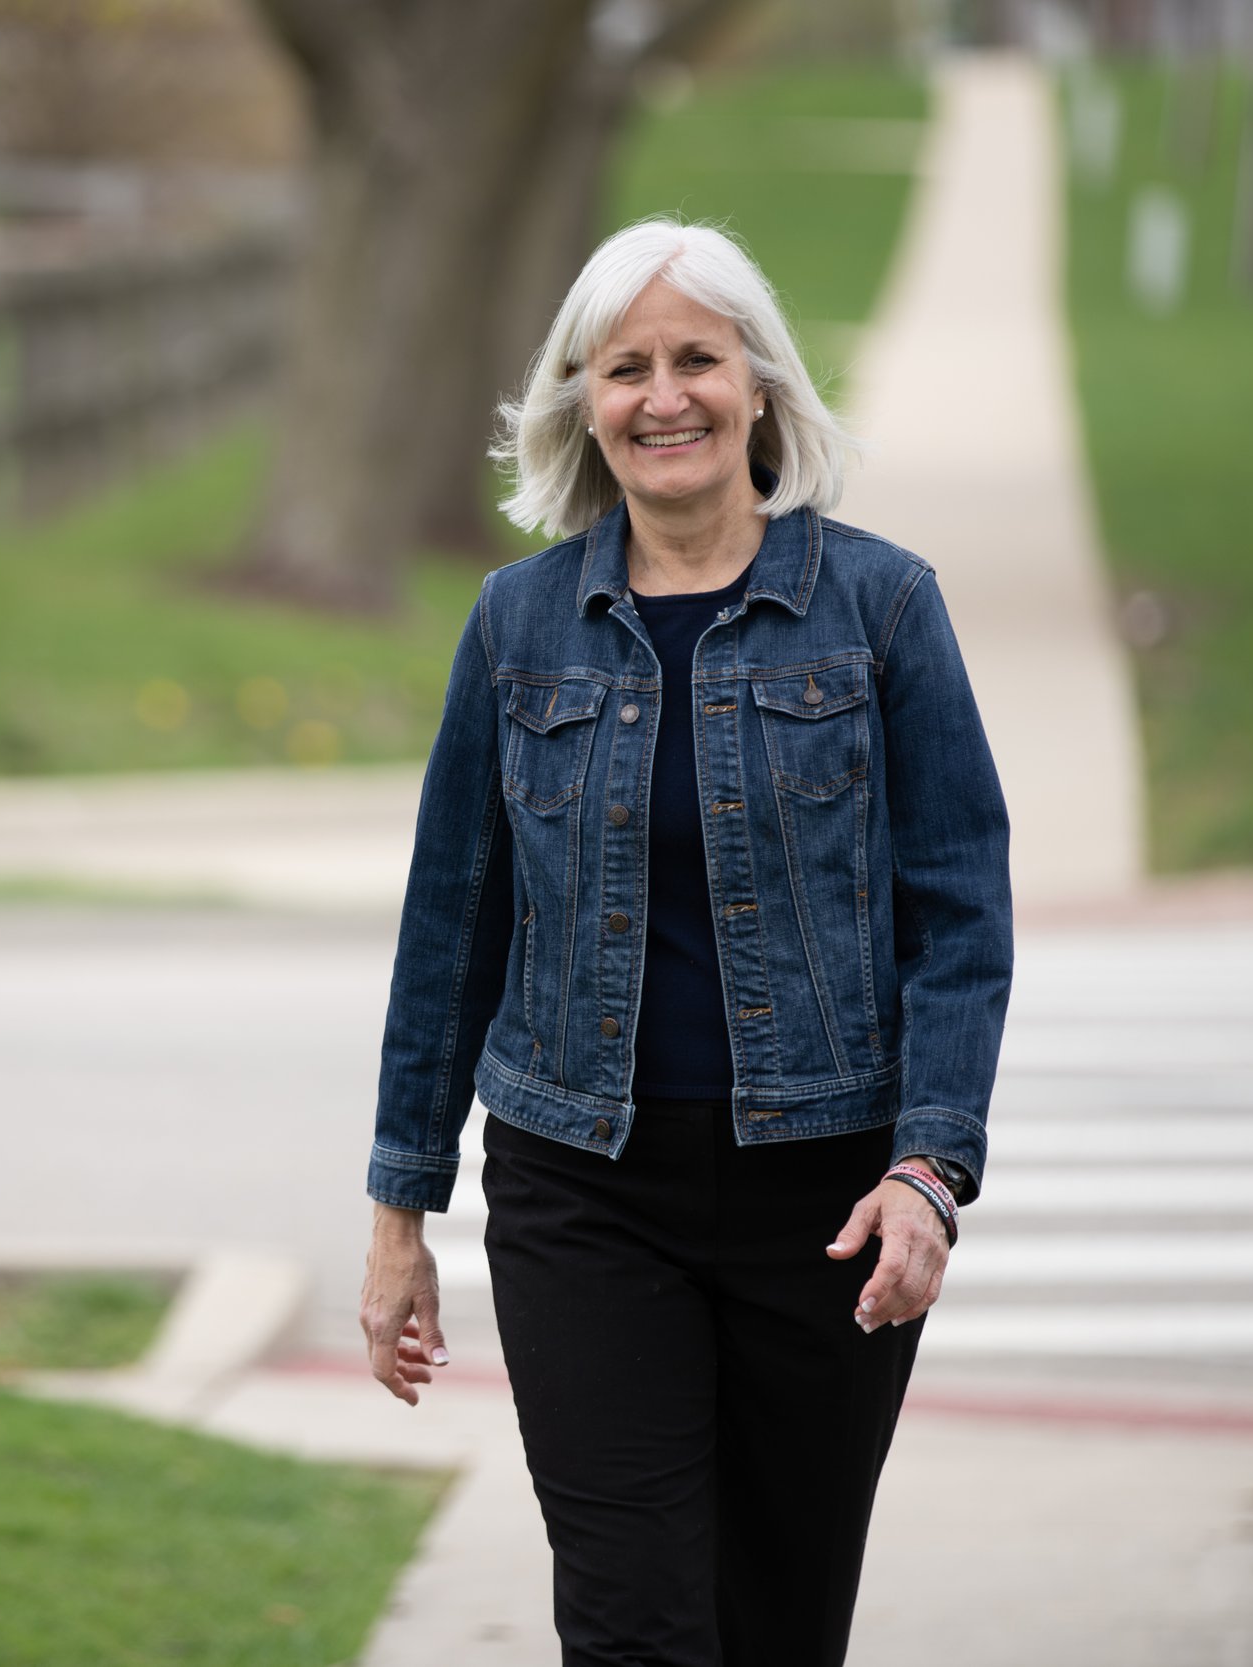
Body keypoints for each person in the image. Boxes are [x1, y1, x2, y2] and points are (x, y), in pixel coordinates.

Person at [359, 216, 1014, 1667]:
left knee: (777, 1626)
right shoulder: (516, 627)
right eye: (627, 366)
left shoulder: (883, 609)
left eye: (698, 359)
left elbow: (961, 911)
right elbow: (449, 925)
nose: (667, 396)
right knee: (636, 1628)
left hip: (825, 1200)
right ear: (583, 401)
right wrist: (401, 1216)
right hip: (583, 1196)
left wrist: (928, 1170)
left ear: (760, 386)